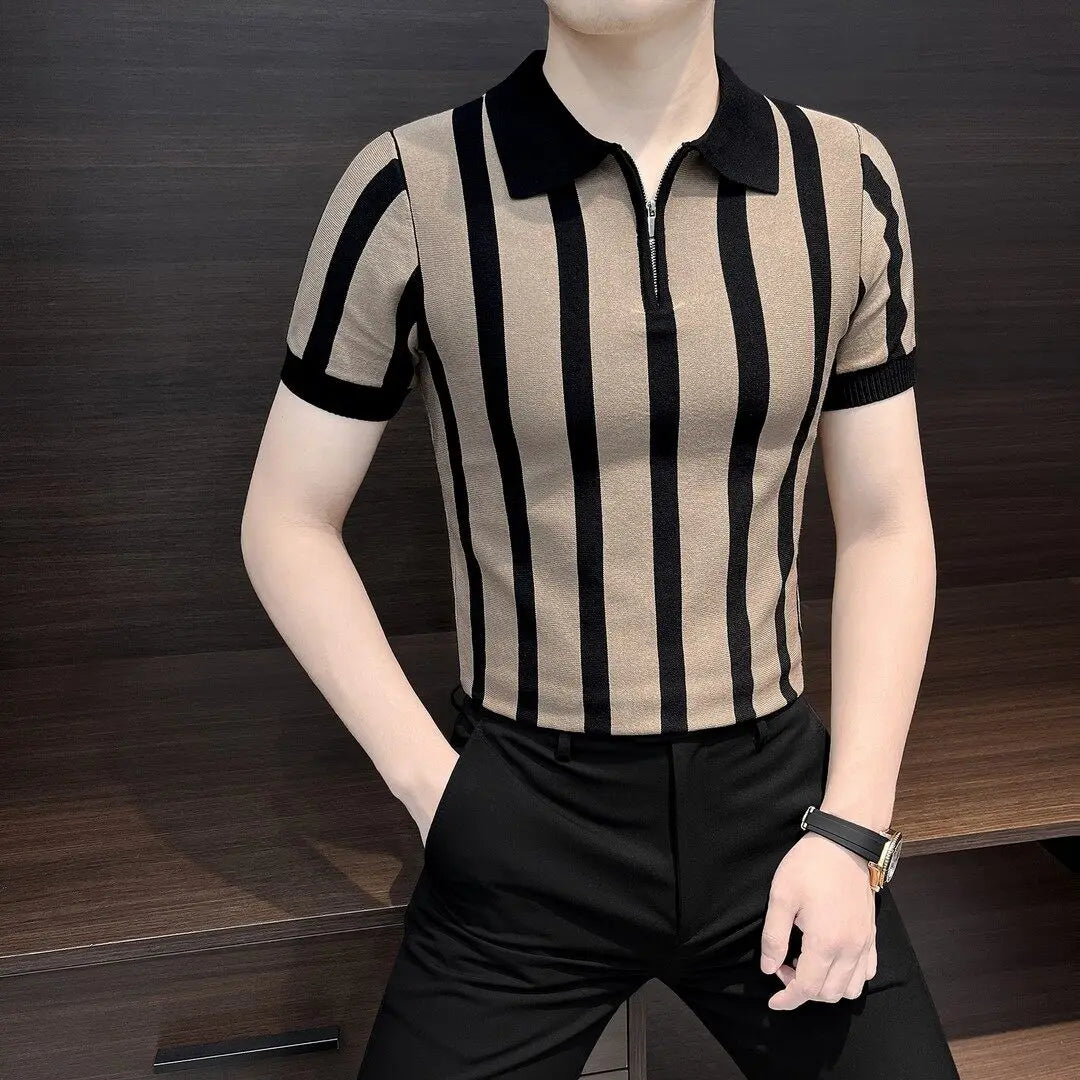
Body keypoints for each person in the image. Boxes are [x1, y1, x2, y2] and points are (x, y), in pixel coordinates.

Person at [241, 2, 961, 1077]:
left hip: (781, 819)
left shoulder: (845, 182)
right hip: (522, 818)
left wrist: (852, 832)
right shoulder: (410, 188)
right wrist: (439, 796)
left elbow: (887, 524)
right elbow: (286, 519)